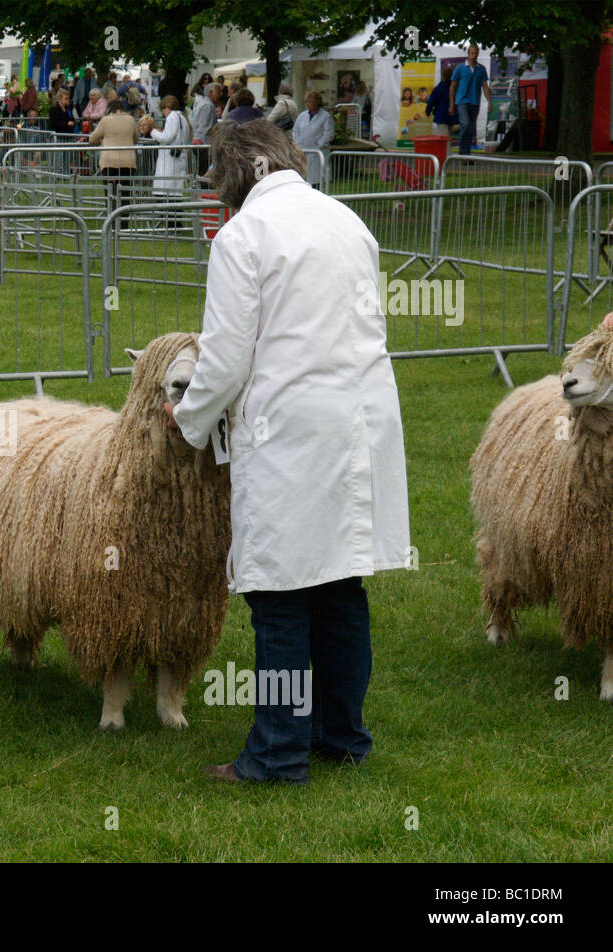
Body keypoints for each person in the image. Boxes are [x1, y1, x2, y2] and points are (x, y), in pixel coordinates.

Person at [164, 119, 408, 785]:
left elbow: (225, 357)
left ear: (237, 175)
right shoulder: (346, 220)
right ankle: (343, 736)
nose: (218, 197)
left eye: (218, 182)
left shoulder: (244, 235)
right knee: (337, 583)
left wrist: (185, 417)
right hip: (360, 417)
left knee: (278, 590)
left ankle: (276, 754)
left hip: (292, 425)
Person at [88, 98, 137, 211]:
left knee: (111, 195)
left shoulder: (106, 120)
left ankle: (112, 224)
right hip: (128, 162)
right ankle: (123, 224)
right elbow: (136, 138)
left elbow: (92, 138)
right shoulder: (130, 120)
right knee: (125, 195)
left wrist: (101, 141)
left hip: (109, 162)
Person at [141, 94, 191, 196]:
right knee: (175, 192)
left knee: (165, 192)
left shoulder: (172, 117)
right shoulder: (182, 117)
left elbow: (165, 138)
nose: (163, 113)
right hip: (178, 158)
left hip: (169, 161)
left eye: (163, 109)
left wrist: (152, 132)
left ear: (167, 107)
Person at [449, 46, 489, 156]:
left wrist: (489, 102)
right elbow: (453, 86)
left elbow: (485, 86)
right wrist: (452, 104)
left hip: (475, 102)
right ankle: (462, 153)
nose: (474, 55)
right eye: (472, 53)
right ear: (468, 54)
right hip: (462, 101)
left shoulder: (481, 69)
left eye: (476, 53)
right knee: (465, 124)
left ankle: (467, 153)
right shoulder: (460, 68)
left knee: (471, 128)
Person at [292, 90, 333, 187]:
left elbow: (329, 134)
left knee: (316, 180)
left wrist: (319, 144)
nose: (308, 104)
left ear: (317, 102)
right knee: (303, 178)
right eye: (307, 102)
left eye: (310, 102)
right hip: (303, 150)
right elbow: (296, 130)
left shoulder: (325, 116)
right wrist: (297, 143)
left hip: (317, 152)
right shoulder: (302, 115)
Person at [192, 82, 219, 176]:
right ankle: (203, 190)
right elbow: (205, 127)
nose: (220, 95)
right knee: (204, 171)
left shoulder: (202, 103)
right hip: (203, 144)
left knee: (201, 170)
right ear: (210, 92)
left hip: (199, 142)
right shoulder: (208, 105)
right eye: (218, 92)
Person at [424, 67, 457, 137]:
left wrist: (428, 111)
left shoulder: (439, 88)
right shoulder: (455, 88)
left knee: (443, 138)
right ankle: (448, 147)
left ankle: (445, 148)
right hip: (452, 115)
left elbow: (431, 101)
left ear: (443, 76)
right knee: (448, 136)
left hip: (441, 115)